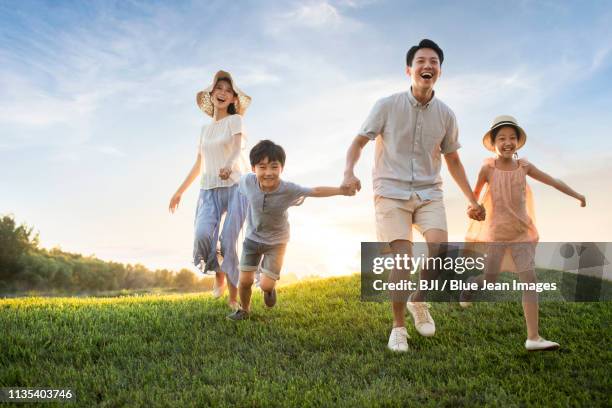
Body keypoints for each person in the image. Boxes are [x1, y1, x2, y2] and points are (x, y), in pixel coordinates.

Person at [342, 39, 484, 352]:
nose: (427, 66)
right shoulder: (386, 105)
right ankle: (398, 328)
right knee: (403, 258)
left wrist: (473, 200)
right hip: (390, 193)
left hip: (429, 192)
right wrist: (348, 172)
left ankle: (418, 301)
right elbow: (357, 143)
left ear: (440, 72)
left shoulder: (446, 115)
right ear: (409, 69)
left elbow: (454, 160)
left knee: (440, 249)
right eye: (421, 61)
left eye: (434, 61)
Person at [462, 115, 586, 351]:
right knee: (489, 279)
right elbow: (474, 198)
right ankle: (471, 286)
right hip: (497, 235)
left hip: (522, 235)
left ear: (518, 142)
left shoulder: (524, 166)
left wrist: (577, 195)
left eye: (512, 138)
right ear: (494, 142)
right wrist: (472, 209)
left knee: (530, 281)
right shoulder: (487, 168)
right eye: (502, 138)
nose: (507, 142)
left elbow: (553, 181)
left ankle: (533, 337)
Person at [227, 140, 354, 320]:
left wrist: (341, 191)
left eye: (274, 167)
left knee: (265, 285)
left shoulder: (288, 189)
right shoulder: (248, 181)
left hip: (277, 243)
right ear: (254, 168)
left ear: (281, 168)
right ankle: (244, 310)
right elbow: (235, 176)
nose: (268, 172)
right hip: (252, 239)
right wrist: (226, 173)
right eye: (262, 167)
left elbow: (315, 191)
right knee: (245, 280)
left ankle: (269, 290)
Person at [169, 70, 251, 310]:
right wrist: (179, 191)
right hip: (208, 190)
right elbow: (198, 164)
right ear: (211, 94)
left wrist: (228, 165)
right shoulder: (204, 130)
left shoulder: (235, 121)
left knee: (228, 241)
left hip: (236, 186)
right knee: (203, 235)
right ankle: (218, 273)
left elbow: (237, 149)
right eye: (219, 89)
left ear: (234, 99)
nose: (223, 93)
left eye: (228, 90)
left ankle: (234, 298)